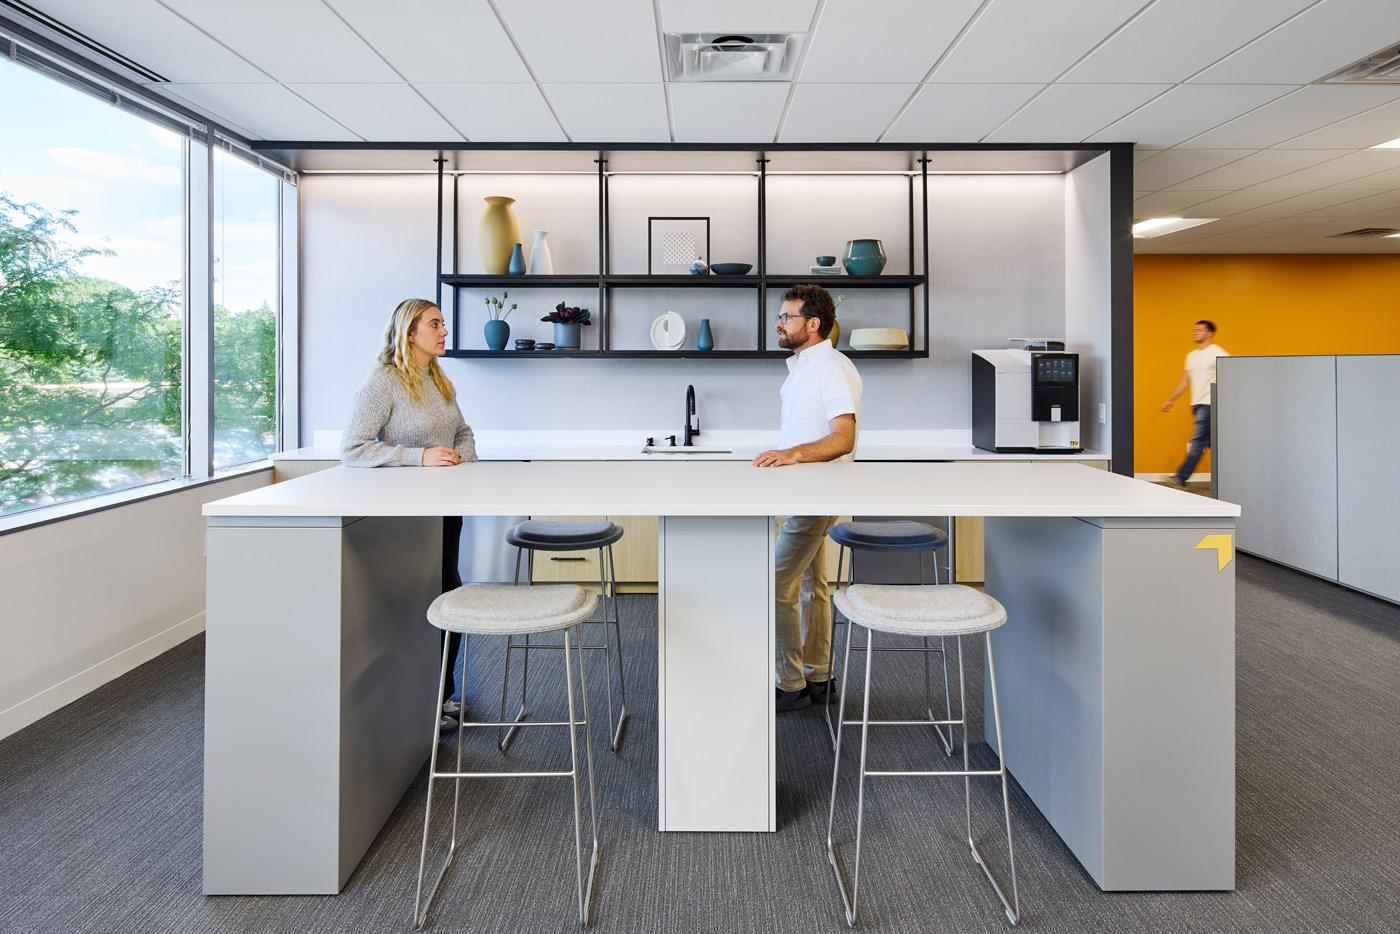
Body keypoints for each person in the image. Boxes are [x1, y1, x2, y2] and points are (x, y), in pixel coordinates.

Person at [342, 298, 476, 730]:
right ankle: (427, 700)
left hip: (445, 509)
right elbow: (353, 448)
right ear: (409, 332)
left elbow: (462, 432)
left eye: (443, 324)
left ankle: (441, 694)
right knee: (427, 601)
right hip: (406, 517)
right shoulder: (382, 383)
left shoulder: (437, 379)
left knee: (448, 596)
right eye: (435, 324)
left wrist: (462, 460)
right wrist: (419, 457)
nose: (444, 331)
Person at [753, 284, 862, 712]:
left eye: (786, 316)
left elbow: (843, 437)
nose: (778, 322)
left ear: (812, 324)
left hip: (817, 494)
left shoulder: (831, 366)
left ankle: (789, 684)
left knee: (775, 581)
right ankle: (818, 676)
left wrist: (793, 454)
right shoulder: (803, 367)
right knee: (813, 586)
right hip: (806, 492)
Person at [1161, 319, 1228, 488]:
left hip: (1210, 403)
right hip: (1197, 404)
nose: (1195, 333)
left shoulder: (1217, 352)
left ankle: (1181, 477)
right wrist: (1171, 399)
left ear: (1209, 333)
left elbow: (1231, 375)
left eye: (1199, 330)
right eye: (1195, 330)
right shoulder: (1191, 356)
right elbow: (1185, 380)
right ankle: (1230, 479)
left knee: (1198, 441)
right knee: (1214, 444)